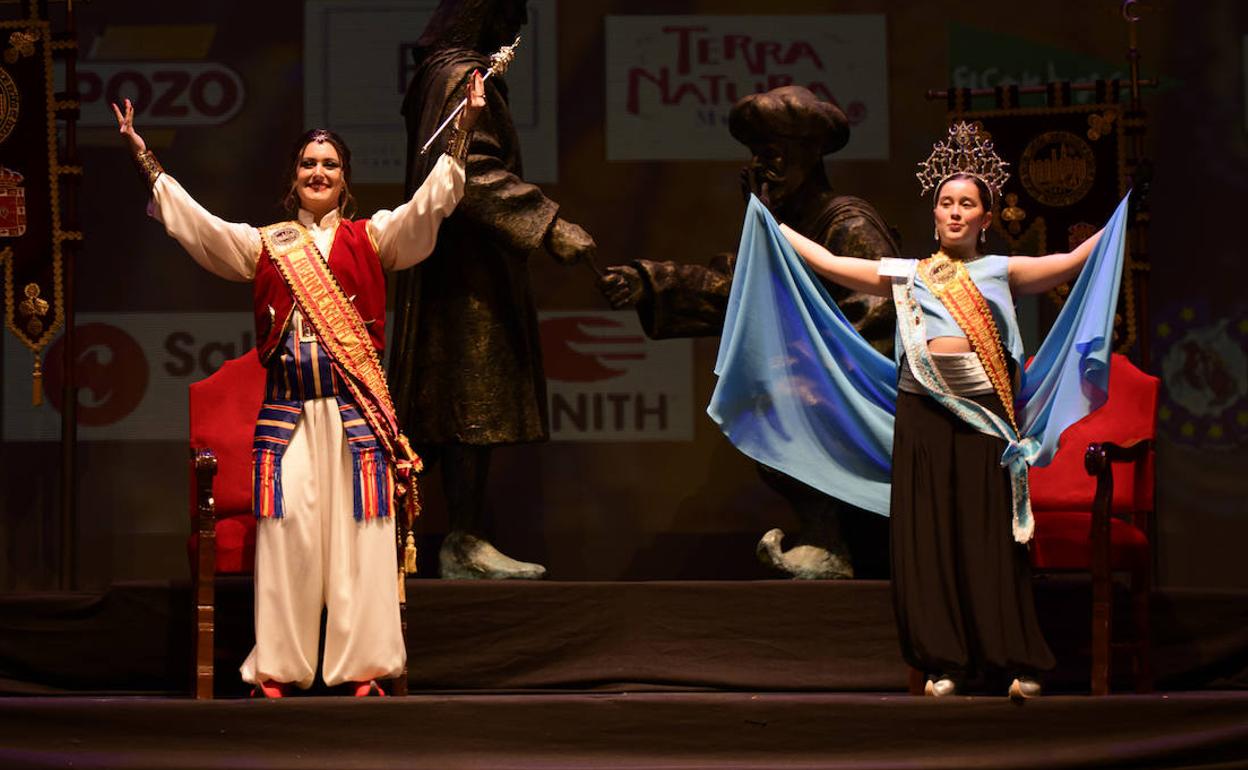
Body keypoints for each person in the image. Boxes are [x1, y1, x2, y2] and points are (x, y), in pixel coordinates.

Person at [709, 122, 1131, 698]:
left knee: (991, 537)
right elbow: (828, 262)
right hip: (924, 411)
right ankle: (944, 663)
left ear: (986, 217)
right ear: (934, 214)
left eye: (967, 204)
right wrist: (767, 219)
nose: (955, 213)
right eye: (946, 203)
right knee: (931, 536)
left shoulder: (1002, 272)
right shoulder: (909, 275)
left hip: (985, 415)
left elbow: (1077, 258)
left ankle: (1016, 661)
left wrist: (1130, 205)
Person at [111, 71, 485, 696]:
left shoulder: (374, 237)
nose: (319, 173)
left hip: (355, 418)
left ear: (345, 178)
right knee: (287, 544)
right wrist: (144, 157)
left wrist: (465, 126)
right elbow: (202, 228)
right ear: (293, 178)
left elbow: (431, 205)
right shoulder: (265, 246)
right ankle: (278, 669)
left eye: (330, 164)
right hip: (286, 418)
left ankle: (365, 668)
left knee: (362, 545)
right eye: (309, 164)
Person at [597, 86, 897, 579]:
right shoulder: (785, 224)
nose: (762, 169)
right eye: (756, 155)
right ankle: (826, 536)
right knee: (766, 393)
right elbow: (741, 288)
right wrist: (650, 281)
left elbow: (878, 325)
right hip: (824, 386)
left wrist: (812, 369)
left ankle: (830, 541)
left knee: (785, 394)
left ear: (809, 155)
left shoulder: (848, 223)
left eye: (774, 155)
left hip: (868, 396)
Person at [391, 0, 597, 579]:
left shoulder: (441, 72)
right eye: (511, 16)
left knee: (451, 404)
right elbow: (467, 169)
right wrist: (550, 224)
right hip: (466, 273)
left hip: (456, 264)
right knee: (469, 401)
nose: (517, 31)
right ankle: (464, 538)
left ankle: (450, 536)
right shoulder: (462, 75)